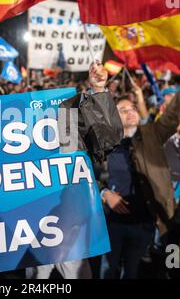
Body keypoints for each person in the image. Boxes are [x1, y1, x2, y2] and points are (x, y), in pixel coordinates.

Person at [99, 41, 180, 279]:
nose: (131, 111)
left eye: (133, 107)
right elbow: (85, 174)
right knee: (108, 269)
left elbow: (176, 109)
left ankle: (169, 268)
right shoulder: (104, 142)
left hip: (147, 222)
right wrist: (105, 193)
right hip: (112, 224)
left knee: (133, 271)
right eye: (123, 109)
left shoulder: (153, 134)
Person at [26, 61, 124, 279]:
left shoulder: (69, 137)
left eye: (56, 105)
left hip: (69, 223)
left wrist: (99, 90)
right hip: (32, 222)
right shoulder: (20, 141)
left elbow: (109, 139)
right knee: (36, 276)